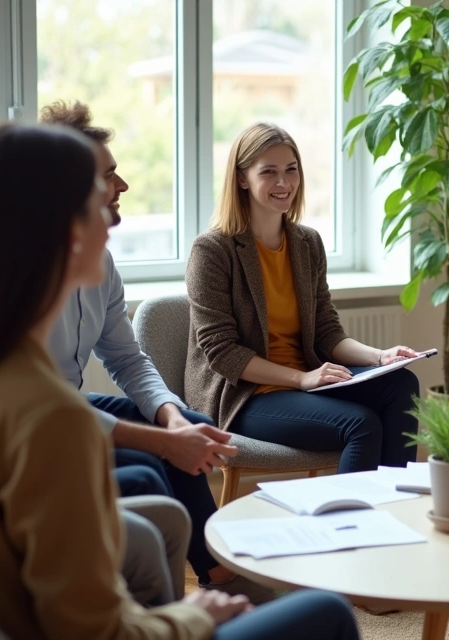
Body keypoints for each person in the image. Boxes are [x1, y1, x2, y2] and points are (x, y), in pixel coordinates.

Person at [0, 122, 360, 640]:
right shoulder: (52, 417)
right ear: (68, 232)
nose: (112, 213)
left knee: (161, 500)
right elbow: (98, 631)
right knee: (326, 611)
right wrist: (196, 615)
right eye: (96, 202)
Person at [38, 101, 265, 600]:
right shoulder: (18, 278)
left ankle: (215, 572)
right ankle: (170, 599)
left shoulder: (99, 262)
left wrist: (172, 419)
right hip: (38, 423)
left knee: (183, 419)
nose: (122, 185)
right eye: (109, 176)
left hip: (65, 406)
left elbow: (126, 358)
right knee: (153, 465)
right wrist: (163, 441)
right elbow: (34, 406)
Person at [185, 122, 419, 473]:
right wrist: (301, 379)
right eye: (269, 172)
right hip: (245, 395)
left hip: (306, 380)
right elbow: (223, 353)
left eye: (291, 170)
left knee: (401, 384)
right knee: (360, 423)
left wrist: (380, 357)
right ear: (242, 179)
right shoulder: (212, 250)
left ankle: (392, 502)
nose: (284, 183)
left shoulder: (307, 243)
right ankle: (351, 511)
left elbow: (326, 332)